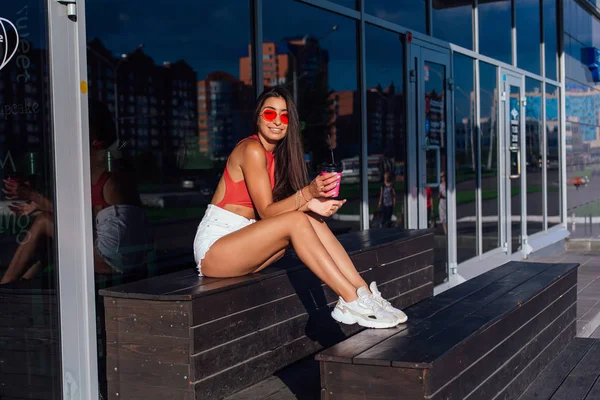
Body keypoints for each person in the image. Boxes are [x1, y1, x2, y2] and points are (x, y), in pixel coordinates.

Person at [193, 86, 407, 329]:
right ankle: (349, 299)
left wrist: (312, 203)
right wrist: (307, 193)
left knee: (313, 219)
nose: (277, 121)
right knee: (298, 219)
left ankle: (363, 292)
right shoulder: (251, 150)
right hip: (216, 249)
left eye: (284, 116)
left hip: (241, 244)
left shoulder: (273, 157)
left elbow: (276, 212)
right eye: (269, 113)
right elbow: (266, 212)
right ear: (257, 117)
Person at [0, 100, 153, 284]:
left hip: (116, 257)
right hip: (137, 254)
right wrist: (37, 202)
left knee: (44, 222)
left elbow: (73, 216)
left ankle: (5, 287)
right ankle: (22, 285)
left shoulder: (93, 158)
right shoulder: (115, 157)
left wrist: (32, 195)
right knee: (53, 232)